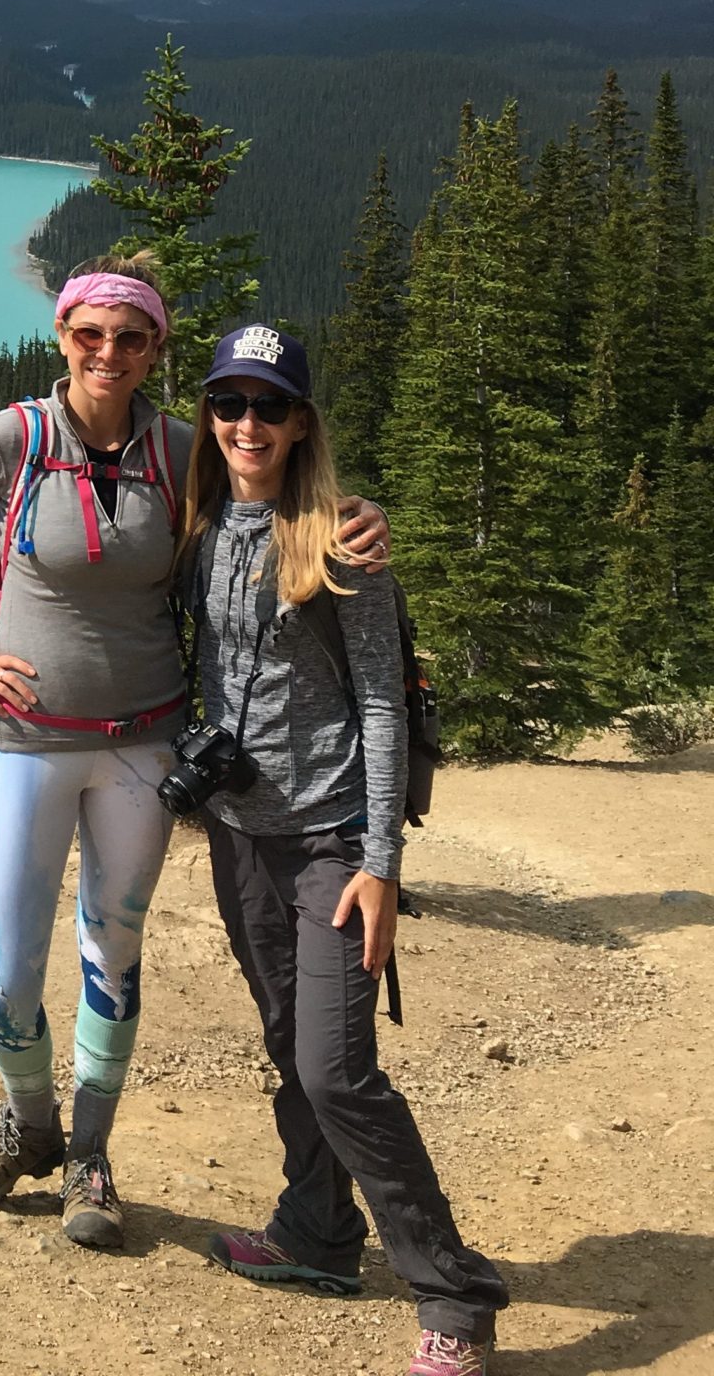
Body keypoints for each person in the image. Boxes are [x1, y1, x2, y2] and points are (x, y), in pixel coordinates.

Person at [0, 255, 388, 1249]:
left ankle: (91, 1154)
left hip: (145, 744)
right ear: (62, 336)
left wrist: (358, 518)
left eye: (132, 337)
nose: (108, 352)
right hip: (25, 739)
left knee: (114, 951)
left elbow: (273, 501)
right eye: (89, 334)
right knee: (6, 967)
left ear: (156, 350)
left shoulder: (180, 451)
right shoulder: (15, 437)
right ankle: (27, 1126)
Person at [180, 319, 507, 1375]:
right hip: (240, 838)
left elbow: (379, 704)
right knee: (289, 1043)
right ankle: (317, 1231)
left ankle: (451, 1293)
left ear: (301, 420)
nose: (246, 422)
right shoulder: (198, 526)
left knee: (336, 1069)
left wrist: (380, 862)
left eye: (269, 404)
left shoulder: (343, 542)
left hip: (329, 844)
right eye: (229, 402)